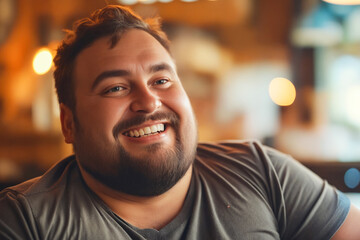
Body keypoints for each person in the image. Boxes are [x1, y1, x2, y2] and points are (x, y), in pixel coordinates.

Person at [0, 5, 359, 240]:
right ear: (69, 123)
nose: (148, 101)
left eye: (161, 81)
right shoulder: (24, 221)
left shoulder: (261, 171)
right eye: (116, 88)